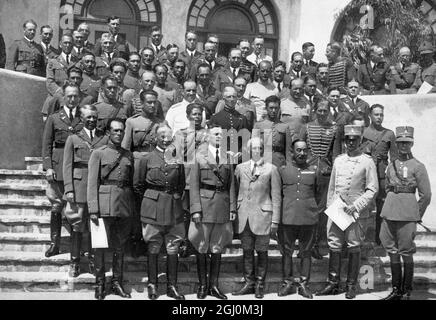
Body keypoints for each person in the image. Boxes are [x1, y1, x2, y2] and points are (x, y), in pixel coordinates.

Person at [316, 125, 378, 299]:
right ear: (344, 142)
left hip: (355, 212)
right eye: (348, 140)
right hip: (337, 210)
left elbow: (372, 189)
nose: (351, 143)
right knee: (334, 244)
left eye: (354, 140)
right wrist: (330, 208)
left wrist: (356, 206)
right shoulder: (339, 160)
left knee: (354, 245)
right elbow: (332, 188)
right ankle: (333, 283)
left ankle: (351, 285)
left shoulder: (367, 161)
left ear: (360, 141)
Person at [133, 124, 186, 300]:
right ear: (155, 137)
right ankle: (152, 285)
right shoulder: (146, 158)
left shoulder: (177, 158)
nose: (165, 139)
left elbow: (181, 183)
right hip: (152, 206)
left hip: (173, 205)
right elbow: (138, 185)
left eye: (168, 136)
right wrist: (150, 199)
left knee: (173, 246)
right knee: (153, 244)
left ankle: (172, 286)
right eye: (162, 136)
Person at [380, 126, 432, 300]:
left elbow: (426, 195)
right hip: (390, 211)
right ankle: (396, 289)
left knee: (406, 251)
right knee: (392, 250)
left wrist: (416, 214)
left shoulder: (418, 166)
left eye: (407, 143)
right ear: (397, 143)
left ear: (412, 144)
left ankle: (407, 290)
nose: (403, 146)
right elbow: (387, 187)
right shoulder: (391, 165)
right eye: (400, 143)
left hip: (407, 212)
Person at [87, 118, 134, 300]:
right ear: (108, 133)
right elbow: (92, 183)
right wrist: (93, 208)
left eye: (121, 131)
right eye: (115, 131)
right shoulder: (98, 153)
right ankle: (99, 284)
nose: (118, 134)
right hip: (103, 205)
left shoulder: (128, 155)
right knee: (99, 246)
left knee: (120, 246)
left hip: (123, 204)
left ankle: (117, 283)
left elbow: (129, 182)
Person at [189, 125, 237, 300]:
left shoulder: (227, 157)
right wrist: (195, 209)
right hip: (204, 204)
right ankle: (203, 286)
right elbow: (193, 186)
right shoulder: (199, 157)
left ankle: (214, 286)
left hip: (222, 205)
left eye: (221, 135)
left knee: (217, 246)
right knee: (202, 245)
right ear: (208, 137)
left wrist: (232, 207)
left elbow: (231, 185)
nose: (219, 137)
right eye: (216, 134)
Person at [232, 137, 281, 299]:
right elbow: (234, 190)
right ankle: (249, 283)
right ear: (248, 150)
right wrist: (234, 209)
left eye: (260, 148)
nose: (257, 151)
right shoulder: (240, 168)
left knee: (262, 250)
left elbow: (276, 196)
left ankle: (260, 284)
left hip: (263, 216)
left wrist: (275, 219)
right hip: (244, 216)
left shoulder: (271, 169)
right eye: (254, 148)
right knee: (247, 251)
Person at [63, 105, 108, 277]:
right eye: (88, 117)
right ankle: (74, 261)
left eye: (94, 117)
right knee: (77, 224)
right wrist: (69, 189)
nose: (91, 120)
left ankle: (92, 260)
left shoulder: (103, 139)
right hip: (79, 186)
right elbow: (67, 165)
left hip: (96, 187)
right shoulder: (73, 139)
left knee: (94, 224)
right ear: (81, 119)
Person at [42, 83, 84, 258]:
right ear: (64, 98)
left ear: (79, 97)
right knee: (57, 205)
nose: (72, 99)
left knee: (76, 209)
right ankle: (55, 244)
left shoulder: (83, 117)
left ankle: (78, 250)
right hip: (58, 166)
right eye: (69, 96)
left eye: (75, 96)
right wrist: (49, 167)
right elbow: (46, 144)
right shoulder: (54, 118)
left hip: (76, 167)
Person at [299, 99, 342, 260]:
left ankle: (316, 245)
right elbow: (299, 150)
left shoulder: (334, 129)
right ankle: (304, 246)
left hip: (325, 173)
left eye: (325, 111)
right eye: (320, 111)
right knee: (305, 209)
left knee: (321, 211)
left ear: (329, 111)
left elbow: (336, 153)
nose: (322, 114)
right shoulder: (307, 127)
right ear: (315, 111)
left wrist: (333, 171)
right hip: (308, 172)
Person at [277, 139, 318, 299]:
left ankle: (303, 284)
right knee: (286, 251)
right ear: (292, 152)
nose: (301, 153)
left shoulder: (313, 170)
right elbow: (278, 194)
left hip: (308, 217)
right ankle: (287, 282)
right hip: (288, 217)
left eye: (304, 150)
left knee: (306, 252)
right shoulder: (283, 170)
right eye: (298, 150)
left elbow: (319, 193)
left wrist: (314, 211)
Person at [173, 103, 208, 259]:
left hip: (204, 180)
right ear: (187, 116)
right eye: (194, 114)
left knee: (201, 213)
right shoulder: (181, 134)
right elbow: (178, 156)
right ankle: (185, 243)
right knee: (186, 212)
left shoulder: (208, 133)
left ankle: (198, 244)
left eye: (199, 114)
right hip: (186, 179)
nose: (197, 117)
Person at [360, 104, 397, 244]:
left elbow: (394, 158)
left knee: (381, 206)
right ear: (370, 115)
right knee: (363, 204)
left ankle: (379, 239)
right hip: (365, 173)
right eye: (376, 114)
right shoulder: (363, 132)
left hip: (382, 174)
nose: (379, 117)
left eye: (381, 114)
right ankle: (361, 237)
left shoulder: (389, 134)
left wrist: (391, 174)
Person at [254, 95, 294, 167]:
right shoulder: (258, 125)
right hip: (262, 160)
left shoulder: (285, 127)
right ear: (266, 108)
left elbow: (288, 150)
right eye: (271, 108)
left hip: (279, 161)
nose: (273, 111)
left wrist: (289, 165)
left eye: (276, 108)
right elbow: (253, 147)